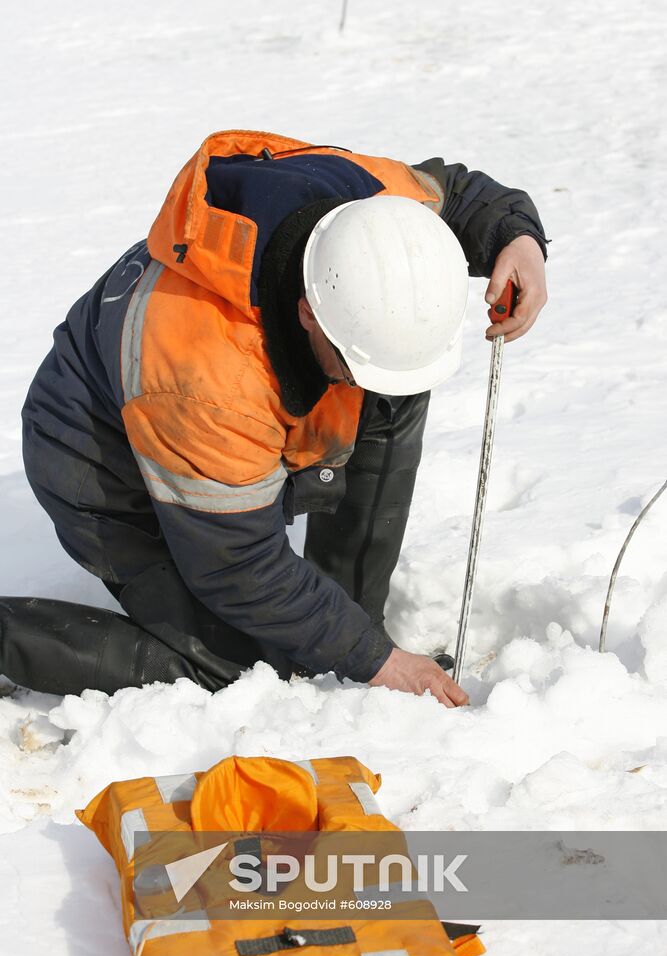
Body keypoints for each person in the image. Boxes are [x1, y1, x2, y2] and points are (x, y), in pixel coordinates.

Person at [1, 130, 548, 707]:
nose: (363, 387)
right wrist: (373, 660)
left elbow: (458, 194)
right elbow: (239, 567)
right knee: (236, 660)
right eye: (352, 365)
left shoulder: (372, 215)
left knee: (390, 391)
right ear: (310, 313)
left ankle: (346, 629)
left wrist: (518, 237)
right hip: (99, 459)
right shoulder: (206, 377)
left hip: (204, 407)